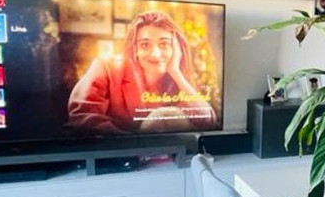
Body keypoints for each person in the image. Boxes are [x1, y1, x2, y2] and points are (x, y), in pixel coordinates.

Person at [67, 9, 218, 133]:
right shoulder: (106, 67)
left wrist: (176, 73)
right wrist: (135, 145)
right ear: (135, 49)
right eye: (145, 45)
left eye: (164, 44)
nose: (155, 54)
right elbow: (83, 117)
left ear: (176, 49)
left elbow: (207, 121)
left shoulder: (178, 78)